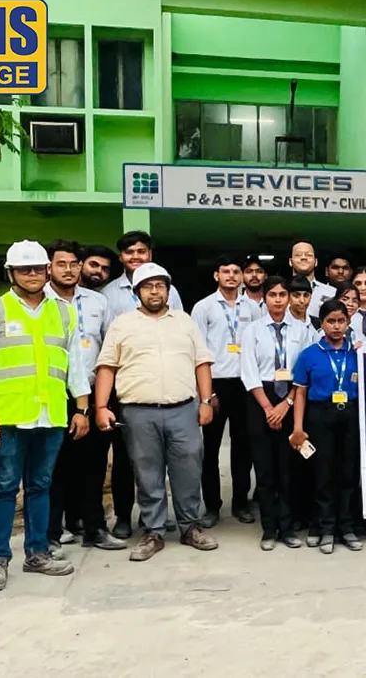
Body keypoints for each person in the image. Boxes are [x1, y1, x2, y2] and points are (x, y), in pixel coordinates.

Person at [0, 240, 90, 592]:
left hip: (50, 415)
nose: (33, 274)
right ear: (11, 273)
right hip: (8, 418)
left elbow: (75, 366)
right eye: (25, 269)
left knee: (41, 486)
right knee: (5, 488)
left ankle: (37, 553)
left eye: (38, 268)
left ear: (47, 271)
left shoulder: (64, 313)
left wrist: (81, 409)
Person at [94, 263, 219, 562]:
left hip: (183, 409)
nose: (154, 292)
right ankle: (153, 531)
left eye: (160, 286)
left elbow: (202, 362)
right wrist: (100, 407)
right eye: (148, 287)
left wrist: (206, 401)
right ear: (137, 292)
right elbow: (107, 367)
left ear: (168, 290)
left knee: (189, 469)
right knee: (147, 473)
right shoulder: (123, 324)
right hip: (138, 412)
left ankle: (190, 526)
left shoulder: (184, 322)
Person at [43, 240, 124, 553]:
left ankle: (95, 529)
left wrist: (102, 399)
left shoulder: (97, 302)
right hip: (53, 395)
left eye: (73, 264)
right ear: (49, 267)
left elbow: (109, 350)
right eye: (61, 264)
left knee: (93, 466)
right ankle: (51, 534)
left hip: (91, 394)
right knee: (54, 467)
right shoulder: (40, 301)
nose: (68, 270)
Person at [102, 230, 184, 539]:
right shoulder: (109, 294)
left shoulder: (169, 290)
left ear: (150, 254)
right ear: (121, 257)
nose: (136, 257)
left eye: (141, 251)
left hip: (162, 382)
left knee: (162, 458)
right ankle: (124, 516)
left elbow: (178, 331)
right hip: (125, 386)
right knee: (126, 458)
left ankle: (161, 516)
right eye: (130, 252)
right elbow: (107, 343)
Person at [240, 276, 313, 551]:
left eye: (283, 294)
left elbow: (304, 371)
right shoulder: (252, 331)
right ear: (265, 298)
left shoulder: (302, 330)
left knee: (288, 469)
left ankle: (288, 527)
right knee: (265, 469)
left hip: (292, 399)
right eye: (273, 295)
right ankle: (269, 530)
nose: (279, 300)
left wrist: (287, 404)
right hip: (261, 400)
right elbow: (248, 373)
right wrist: (269, 408)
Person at [190, 255, 263, 528]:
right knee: (209, 449)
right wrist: (206, 393)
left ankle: (241, 502)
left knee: (243, 448)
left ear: (241, 276)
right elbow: (197, 351)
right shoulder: (204, 307)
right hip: (215, 383)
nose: (231, 276)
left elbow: (258, 344)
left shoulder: (253, 307)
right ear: (216, 276)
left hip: (244, 383)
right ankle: (212, 506)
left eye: (235, 271)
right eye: (226, 271)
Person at [290, 300, 363, 555]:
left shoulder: (357, 352)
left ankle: (347, 527)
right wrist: (298, 427)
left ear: (348, 322)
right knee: (323, 474)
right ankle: (326, 528)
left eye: (341, 321)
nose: (336, 326)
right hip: (320, 415)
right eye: (331, 321)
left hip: (350, 414)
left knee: (348, 472)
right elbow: (300, 393)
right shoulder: (309, 355)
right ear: (321, 324)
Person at [290, 240, 334, 313]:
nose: (303, 257)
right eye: (298, 255)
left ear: (316, 262)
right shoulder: (281, 292)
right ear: (290, 261)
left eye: (309, 255)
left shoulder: (332, 293)